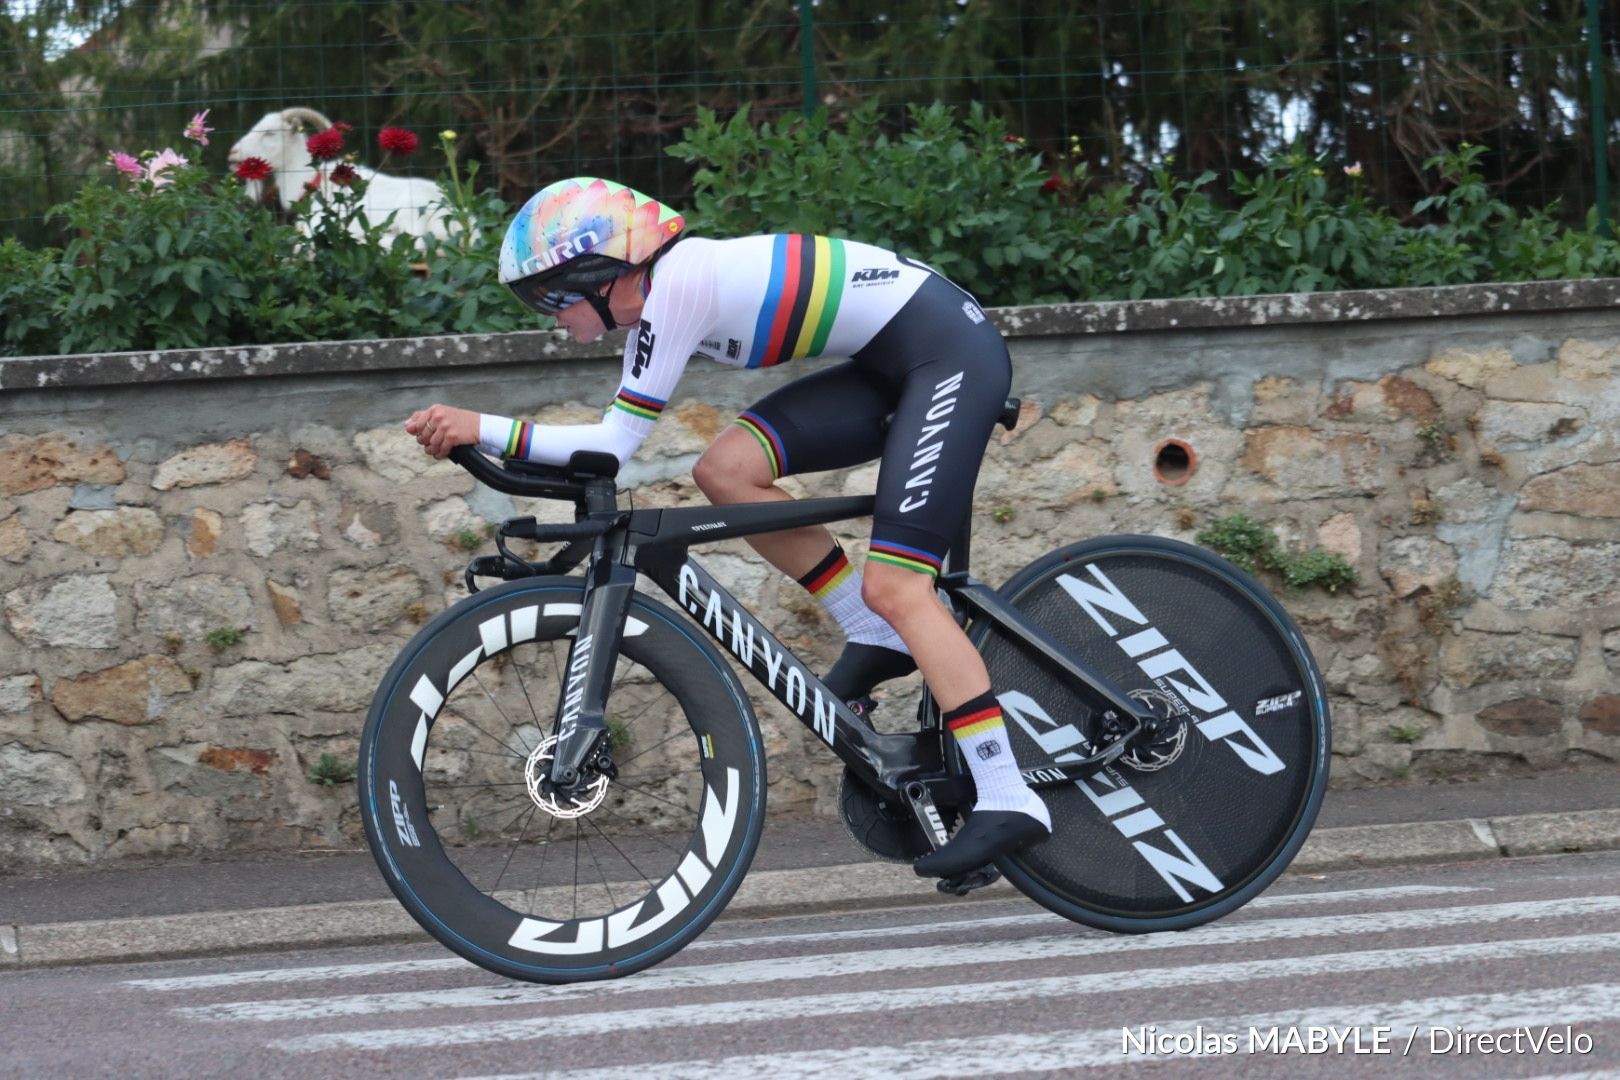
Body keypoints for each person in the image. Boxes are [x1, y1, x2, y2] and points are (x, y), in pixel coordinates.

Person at [405, 176, 1050, 878]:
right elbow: (604, 452)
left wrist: (481, 428)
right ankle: (871, 632)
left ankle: (1008, 793)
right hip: (895, 363)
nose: (552, 316)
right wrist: (489, 445)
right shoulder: (664, 298)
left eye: (552, 296)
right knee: (727, 471)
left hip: (948, 354)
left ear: (600, 273)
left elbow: (611, 449)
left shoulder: (680, 284)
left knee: (899, 586)